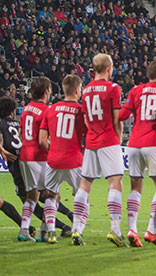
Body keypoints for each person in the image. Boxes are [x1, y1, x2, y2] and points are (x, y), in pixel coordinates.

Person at [72, 53, 126, 247]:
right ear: (109, 69)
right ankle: (115, 229)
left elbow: (86, 119)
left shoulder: (85, 90)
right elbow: (116, 119)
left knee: (85, 184)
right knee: (115, 182)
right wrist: (118, 140)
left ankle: (76, 229)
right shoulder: (113, 88)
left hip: (92, 140)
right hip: (108, 139)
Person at [118, 60, 156, 248]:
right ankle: (151, 230)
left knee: (135, 187)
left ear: (148, 75)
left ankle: (132, 228)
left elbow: (122, 115)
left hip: (133, 144)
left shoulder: (135, 90)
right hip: (154, 142)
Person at [17, 77, 71, 241]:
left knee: (32, 195)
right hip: (40, 157)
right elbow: (43, 140)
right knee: (53, 194)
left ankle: (24, 231)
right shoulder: (47, 110)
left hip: (24, 156)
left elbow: (20, 134)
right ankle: (44, 232)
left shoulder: (25, 109)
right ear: (47, 91)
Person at [38, 74, 86, 244]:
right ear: (77, 90)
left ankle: (51, 231)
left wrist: (55, 151)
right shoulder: (81, 110)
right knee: (82, 196)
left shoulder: (50, 109)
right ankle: (77, 231)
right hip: (75, 160)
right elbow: (88, 135)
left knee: (51, 196)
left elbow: (42, 140)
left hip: (53, 161)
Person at [0, 97, 37, 237]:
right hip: (27, 161)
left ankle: (28, 227)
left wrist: (2, 150)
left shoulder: (2, 124)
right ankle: (28, 227)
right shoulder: (17, 123)